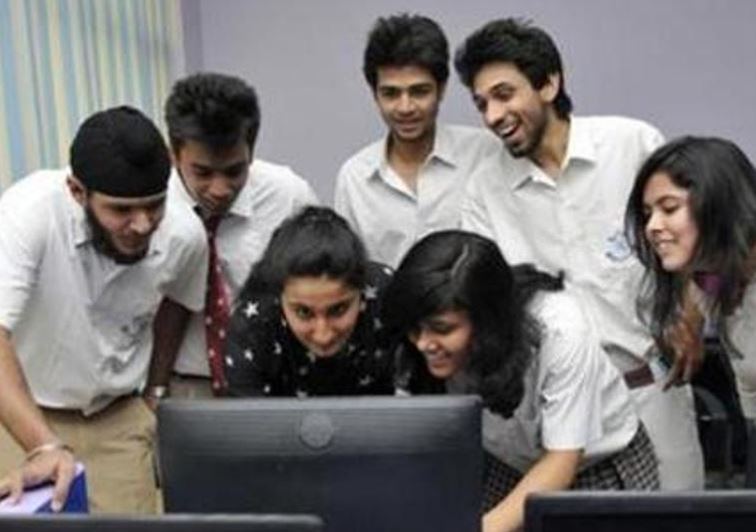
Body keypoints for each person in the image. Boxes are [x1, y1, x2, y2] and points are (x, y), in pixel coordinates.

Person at [454, 17, 703, 489]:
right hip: (559, 417)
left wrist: (693, 305)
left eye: (504, 95)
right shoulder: (483, 190)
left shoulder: (633, 145)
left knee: (677, 517)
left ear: (549, 83)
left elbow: (700, 234)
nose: (492, 116)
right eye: (481, 103)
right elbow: (488, 305)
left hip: (652, 391)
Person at [0, 106, 208, 512]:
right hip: (21, 415)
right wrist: (42, 445)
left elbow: (179, 303)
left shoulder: (184, 234)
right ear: (77, 191)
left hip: (118, 418)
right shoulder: (27, 214)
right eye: (121, 210)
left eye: (154, 205)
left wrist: (155, 392)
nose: (142, 224)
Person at [383, 230, 658, 532]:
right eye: (415, 329)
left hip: (595, 467)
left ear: (486, 322)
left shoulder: (559, 330)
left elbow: (561, 462)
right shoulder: (413, 345)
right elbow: (415, 451)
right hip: (509, 464)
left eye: (442, 329)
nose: (424, 344)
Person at [155, 72, 318, 399]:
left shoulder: (288, 196)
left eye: (234, 171)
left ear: (251, 152)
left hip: (273, 380)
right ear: (174, 154)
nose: (219, 189)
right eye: (202, 172)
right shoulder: (149, 208)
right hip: (184, 383)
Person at [334, 13, 500, 267]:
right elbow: (349, 273)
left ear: (441, 89)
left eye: (419, 92)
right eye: (390, 93)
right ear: (375, 94)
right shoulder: (355, 178)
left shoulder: (485, 153)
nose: (405, 107)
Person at [625, 135, 756, 419]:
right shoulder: (712, 280)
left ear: (719, 203)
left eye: (669, 208)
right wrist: (687, 321)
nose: (652, 227)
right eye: (648, 214)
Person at [224, 206, 396, 397]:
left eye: (338, 310)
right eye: (303, 312)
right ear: (278, 296)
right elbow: (247, 412)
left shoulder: (389, 298)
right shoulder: (253, 327)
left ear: (362, 291)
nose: (323, 336)